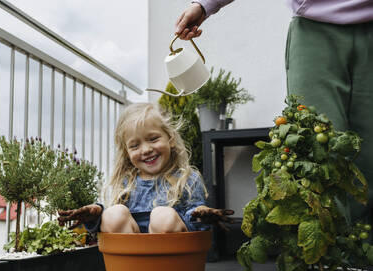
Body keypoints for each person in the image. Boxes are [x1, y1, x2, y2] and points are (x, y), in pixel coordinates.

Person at [175, 0, 373, 224]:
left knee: (369, 155)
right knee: (319, 153)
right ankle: (335, 254)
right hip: (316, 27)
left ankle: (361, 251)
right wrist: (205, 5)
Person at [58, 102, 233, 233]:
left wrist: (201, 213)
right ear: (127, 153)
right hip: (135, 262)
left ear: (170, 139)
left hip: (173, 261)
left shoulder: (186, 179)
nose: (146, 150)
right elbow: (110, 222)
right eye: (135, 146)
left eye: (153, 139)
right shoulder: (127, 182)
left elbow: (195, 222)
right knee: (114, 213)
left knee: (162, 216)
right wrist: (97, 212)